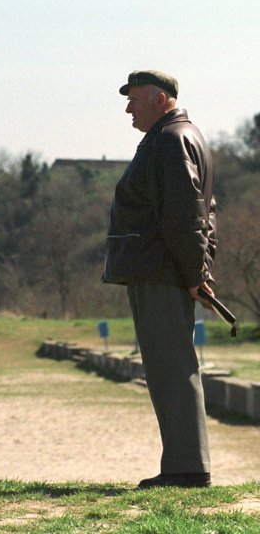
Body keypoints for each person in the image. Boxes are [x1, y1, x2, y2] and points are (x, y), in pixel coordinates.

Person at [102, 70, 217, 489]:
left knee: (170, 367)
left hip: (161, 272)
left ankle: (186, 470)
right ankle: (184, 466)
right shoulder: (182, 137)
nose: (128, 108)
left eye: (133, 99)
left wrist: (193, 274)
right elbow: (207, 215)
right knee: (172, 365)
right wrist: (201, 271)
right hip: (168, 271)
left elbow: (185, 218)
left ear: (159, 98)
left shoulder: (170, 140)